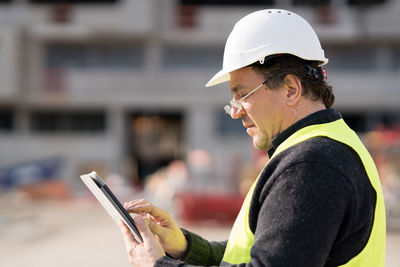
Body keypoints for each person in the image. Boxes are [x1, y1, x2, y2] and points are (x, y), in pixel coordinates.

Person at [119, 9, 386, 267]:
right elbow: (259, 254)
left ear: (291, 89)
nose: (235, 112)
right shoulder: (329, 145)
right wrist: (184, 247)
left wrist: (156, 264)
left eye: (242, 94)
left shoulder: (309, 165)